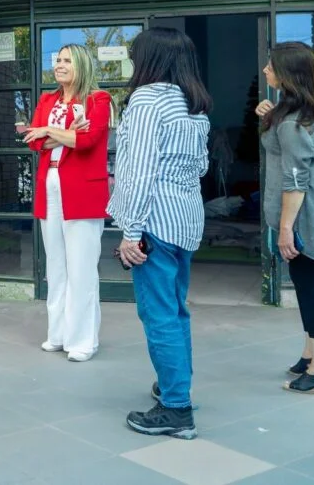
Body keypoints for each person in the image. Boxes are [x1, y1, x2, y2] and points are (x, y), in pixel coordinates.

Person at [107, 27, 210, 440]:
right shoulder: (195, 103)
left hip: (153, 221)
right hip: (185, 218)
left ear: (149, 59)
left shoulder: (147, 100)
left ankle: (176, 409)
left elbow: (137, 170)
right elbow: (200, 166)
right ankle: (176, 387)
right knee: (176, 309)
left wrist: (130, 231)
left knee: (159, 314)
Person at [257, 41, 314, 395]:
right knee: (306, 277)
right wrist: (268, 115)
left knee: (308, 280)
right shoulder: (299, 112)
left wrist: (285, 229)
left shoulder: (293, 121)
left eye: (271, 66)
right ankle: (312, 353)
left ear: (288, 75)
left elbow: (296, 178)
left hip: (308, 202)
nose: (266, 70)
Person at [23, 44, 112, 362]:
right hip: (51, 186)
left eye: (66, 60)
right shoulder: (47, 100)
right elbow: (33, 142)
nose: (58, 65)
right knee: (56, 266)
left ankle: (84, 340)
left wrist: (48, 130)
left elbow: (87, 141)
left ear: (81, 65)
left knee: (82, 268)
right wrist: (63, 133)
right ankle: (58, 334)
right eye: (57, 60)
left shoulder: (99, 100)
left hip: (83, 192)